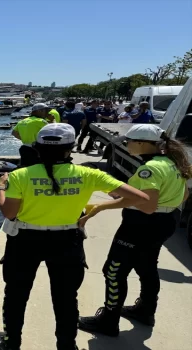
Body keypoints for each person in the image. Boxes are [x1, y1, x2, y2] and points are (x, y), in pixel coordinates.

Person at [0, 123, 149, 350]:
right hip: (67, 240)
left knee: (16, 295)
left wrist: (1, 187)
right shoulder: (88, 174)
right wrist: (99, 208)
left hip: (25, 241)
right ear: (70, 148)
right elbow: (141, 199)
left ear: (37, 148)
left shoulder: (18, 176)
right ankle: (67, 346)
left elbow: (9, 212)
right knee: (66, 298)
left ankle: (11, 342)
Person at [78, 124, 191, 336]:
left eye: (129, 141)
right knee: (147, 265)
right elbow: (183, 196)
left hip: (140, 226)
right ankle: (146, 310)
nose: (127, 145)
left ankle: (108, 321)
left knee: (113, 271)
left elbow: (147, 205)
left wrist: (102, 206)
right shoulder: (174, 163)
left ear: (142, 143)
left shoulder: (151, 169)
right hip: (165, 222)